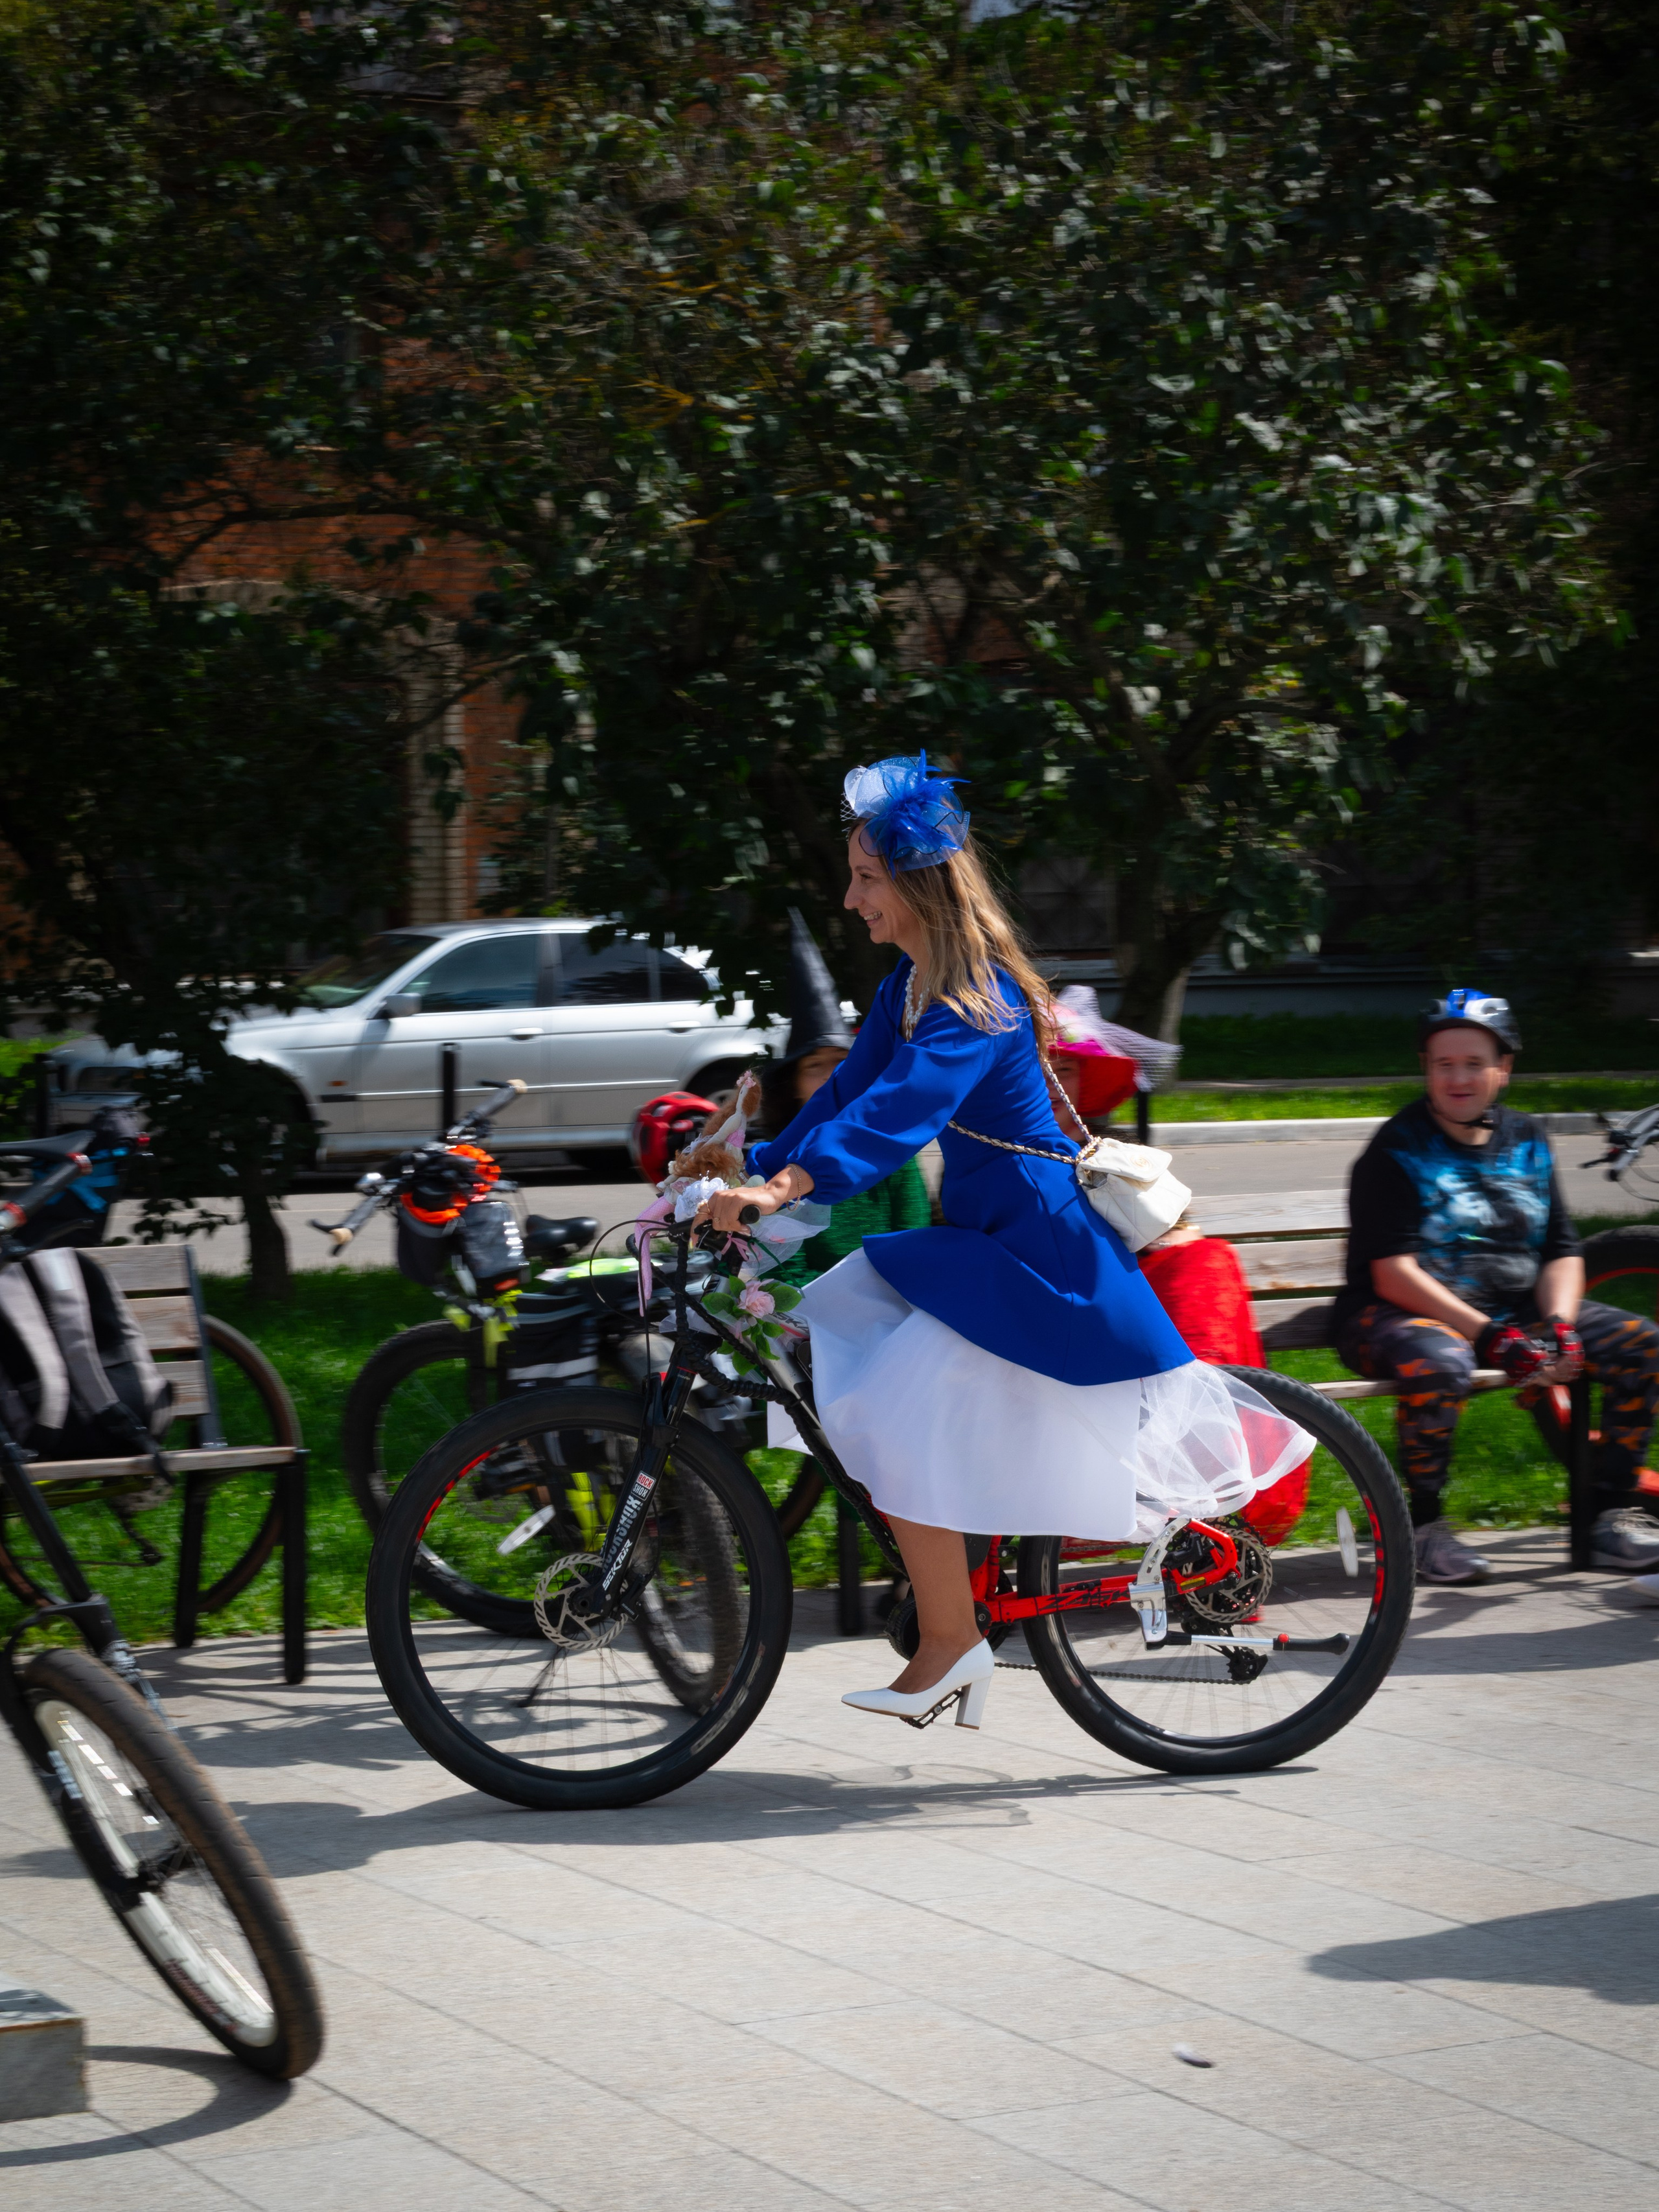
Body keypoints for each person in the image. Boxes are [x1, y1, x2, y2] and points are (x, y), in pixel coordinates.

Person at [695, 751, 1313, 1726]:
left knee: (887, 1407)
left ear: (918, 885)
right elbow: (851, 1094)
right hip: (989, 1243)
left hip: (1038, 1257)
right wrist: (755, 1162)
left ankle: (950, 1641)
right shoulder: (910, 986)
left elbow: (903, 1109)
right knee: (877, 1388)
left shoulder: (973, 998)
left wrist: (788, 1185)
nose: (851, 896)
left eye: (865, 878)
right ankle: (951, 1624)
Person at [1333, 990, 1659, 1586]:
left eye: (1475, 1063)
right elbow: (1392, 1272)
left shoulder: (1529, 1139)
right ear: (1427, 1069)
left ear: (1504, 1068)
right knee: (1443, 1360)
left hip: (1512, 1312)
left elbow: (1561, 1248)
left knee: (1641, 1341)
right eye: (1443, 1064)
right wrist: (1490, 1336)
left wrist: (1559, 1325)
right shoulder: (1396, 1149)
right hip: (1392, 1314)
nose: (1459, 1077)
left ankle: (1605, 1513)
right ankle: (1421, 1528)